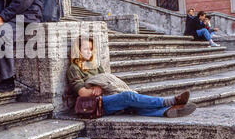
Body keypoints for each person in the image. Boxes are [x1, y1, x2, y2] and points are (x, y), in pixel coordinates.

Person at [67, 37, 197, 118]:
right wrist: (96, 89)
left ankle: (165, 111)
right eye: (85, 49)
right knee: (127, 96)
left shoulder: (96, 66)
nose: (89, 52)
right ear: (77, 50)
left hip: (109, 96)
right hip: (96, 104)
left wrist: (100, 85)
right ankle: (168, 102)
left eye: (90, 49)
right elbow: (82, 93)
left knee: (132, 105)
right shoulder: (74, 68)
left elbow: (107, 80)